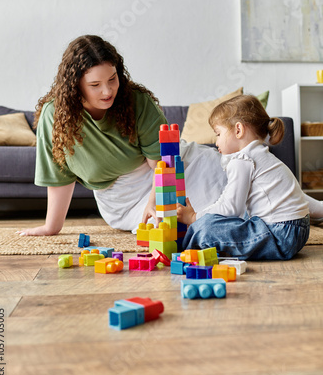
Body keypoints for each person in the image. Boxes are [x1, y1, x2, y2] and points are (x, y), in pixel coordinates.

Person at [17, 35, 225, 236]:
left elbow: (163, 165)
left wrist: (155, 201)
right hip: (121, 202)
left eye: (112, 79)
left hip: (170, 174)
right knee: (176, 227)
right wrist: (51, 227)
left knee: (230, 186)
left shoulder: (137, 101)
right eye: (95, 85)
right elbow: (59, 177)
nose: (107, 91)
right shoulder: (54, 116)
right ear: (75, 86)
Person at [177, 94, 322, 260]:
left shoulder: (242, 160)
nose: (216, 142)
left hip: (280, 235)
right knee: (242, 214)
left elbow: (231, 209)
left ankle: (186, 249)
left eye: (218, 134)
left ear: (238, 130)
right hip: (298, 231)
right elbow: (294, 196)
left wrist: (194, 217)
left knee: (205, 227)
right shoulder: (263, 156)